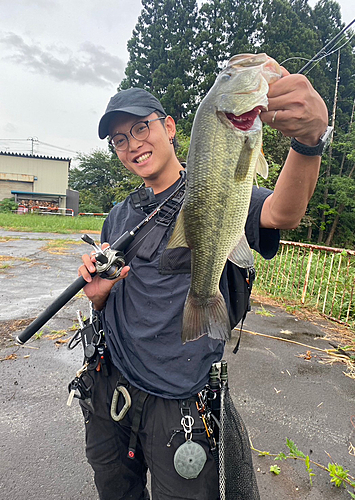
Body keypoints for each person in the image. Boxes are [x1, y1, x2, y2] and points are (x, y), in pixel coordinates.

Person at [78, 68, 328, 500]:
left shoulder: (214, 184)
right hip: (112, 389)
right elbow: (117, 291)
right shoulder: (118, 215)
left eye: (141, 127)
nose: (133, 144)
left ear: (170, 127)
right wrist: (99, 299)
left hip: (180, 402)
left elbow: (283, 213)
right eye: (119, 139)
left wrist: (308, 142)